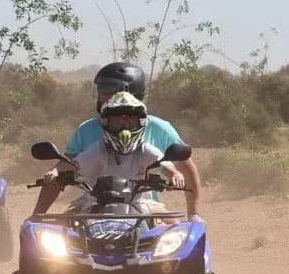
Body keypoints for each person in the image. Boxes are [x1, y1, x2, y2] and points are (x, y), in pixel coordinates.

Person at [35, 62, 202, 217]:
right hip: (94, 203)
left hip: (142, 205)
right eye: (100, 91)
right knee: (54, 235)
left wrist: (193, 215)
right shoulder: (91, 135)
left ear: (131, 92)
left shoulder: (157, 133)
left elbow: (179, 167)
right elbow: (70, 164)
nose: (101, 96)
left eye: (108, 90)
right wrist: (37, 215)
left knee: (179, 234)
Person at [40, 92, 180, 214]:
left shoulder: (144, 150)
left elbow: (164, 166)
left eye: (130, 121)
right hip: (94, 203)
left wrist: (175, 175)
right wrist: (55, 171)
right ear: (106, 123)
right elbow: (73, 164)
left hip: (140, 205)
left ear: (141, 123)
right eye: (117, 122)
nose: (124, 128)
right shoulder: (99, 149)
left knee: (176, 231)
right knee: (60, 230)